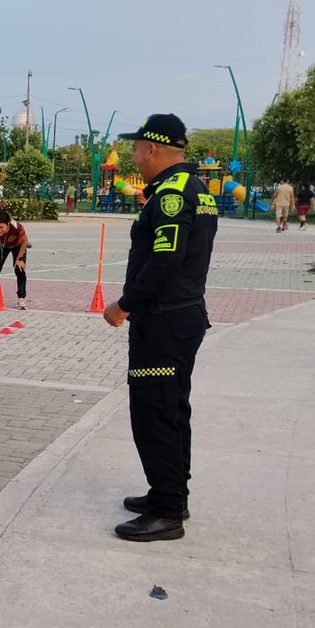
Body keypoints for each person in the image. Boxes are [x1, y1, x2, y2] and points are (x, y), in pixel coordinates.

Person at [102, 113, 216, 542]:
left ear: (152, 149)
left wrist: (125, 305)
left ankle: (167, 511)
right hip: (179, 318)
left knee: (155, 414)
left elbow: (165, 261)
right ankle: (169, 494)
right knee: (171, 410)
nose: (133, 155)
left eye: (136, 148)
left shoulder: (171, 195)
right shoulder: (195, 189)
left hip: (164, 321)